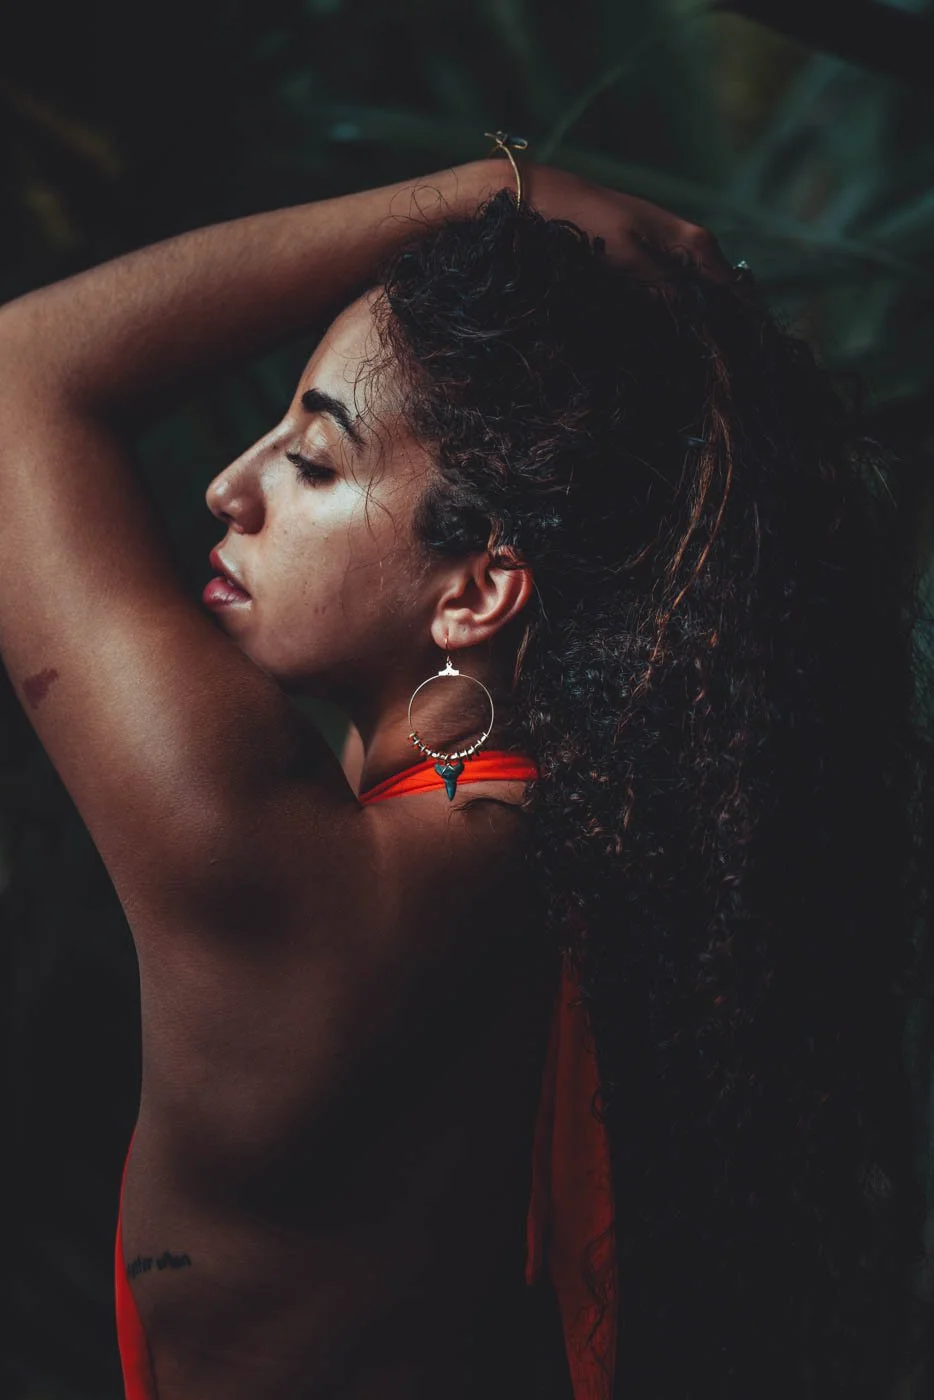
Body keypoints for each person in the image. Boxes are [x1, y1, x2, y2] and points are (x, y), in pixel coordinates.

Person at [0, 141, 930, 1400]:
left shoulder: (289, 882)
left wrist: (499, 190)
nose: (230, 487)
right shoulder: (594, 829)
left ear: (480, 584)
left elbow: (15, 377)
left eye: (313, 460)